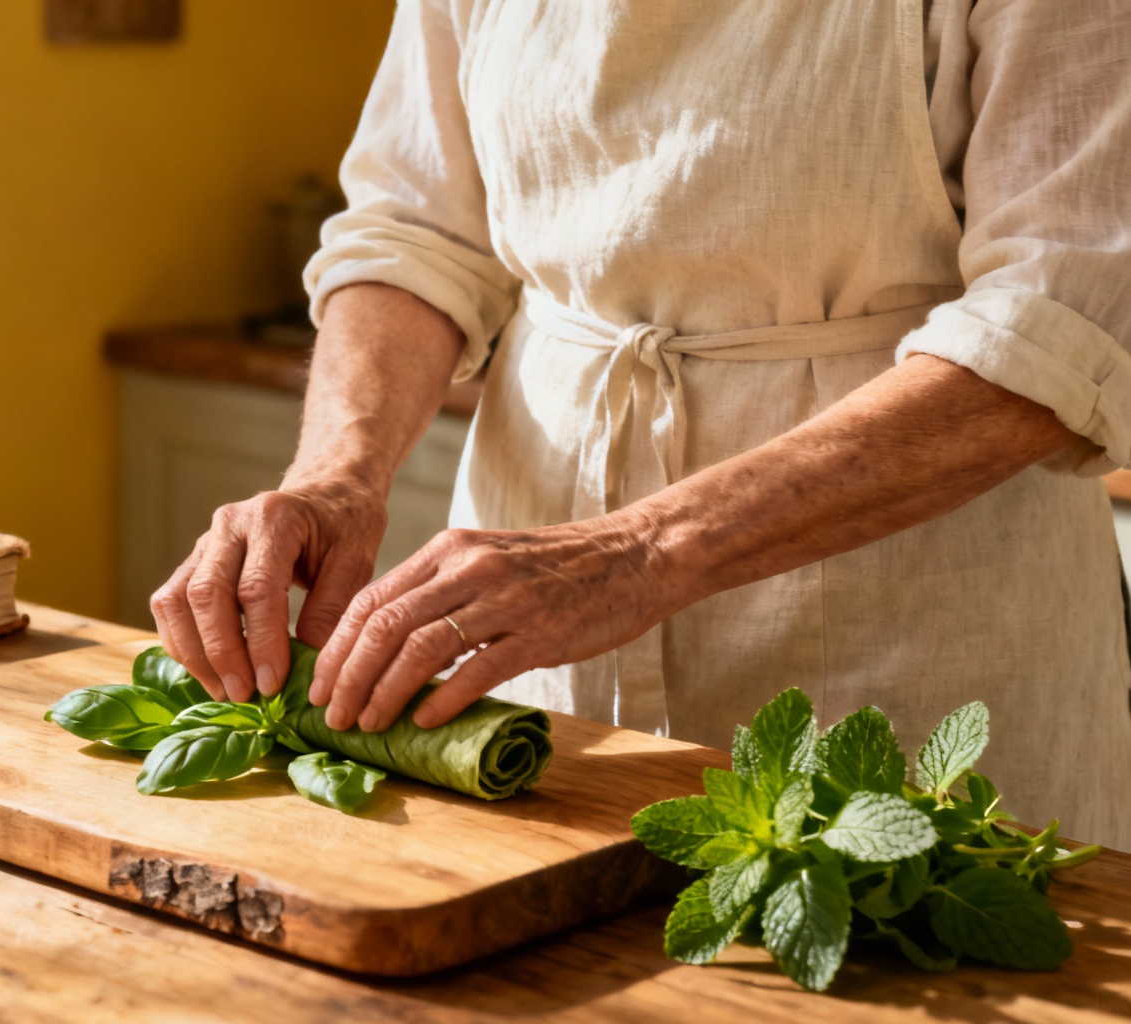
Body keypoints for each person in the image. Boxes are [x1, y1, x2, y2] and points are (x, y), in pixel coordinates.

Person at [150, 1, 1131, 848]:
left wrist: (639, 550)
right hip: (531, 602)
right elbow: (415, 227)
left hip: (913, 619)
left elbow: (1059, 318)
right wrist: (337, 473)